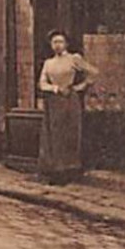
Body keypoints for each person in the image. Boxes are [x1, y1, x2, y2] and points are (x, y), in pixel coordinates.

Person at [38, 30, 98, 185]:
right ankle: (57, 170)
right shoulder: (48, 63)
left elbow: (93, 72)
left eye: (60, 42)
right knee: (55, 135)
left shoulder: (74, 59)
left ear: (66, 44)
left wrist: (80, 87)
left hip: (70, 100)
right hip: (54, 101)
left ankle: (71, 169)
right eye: (54, 42)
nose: (57, 45)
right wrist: (55, 88)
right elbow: (42, 83)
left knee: (70, 133)